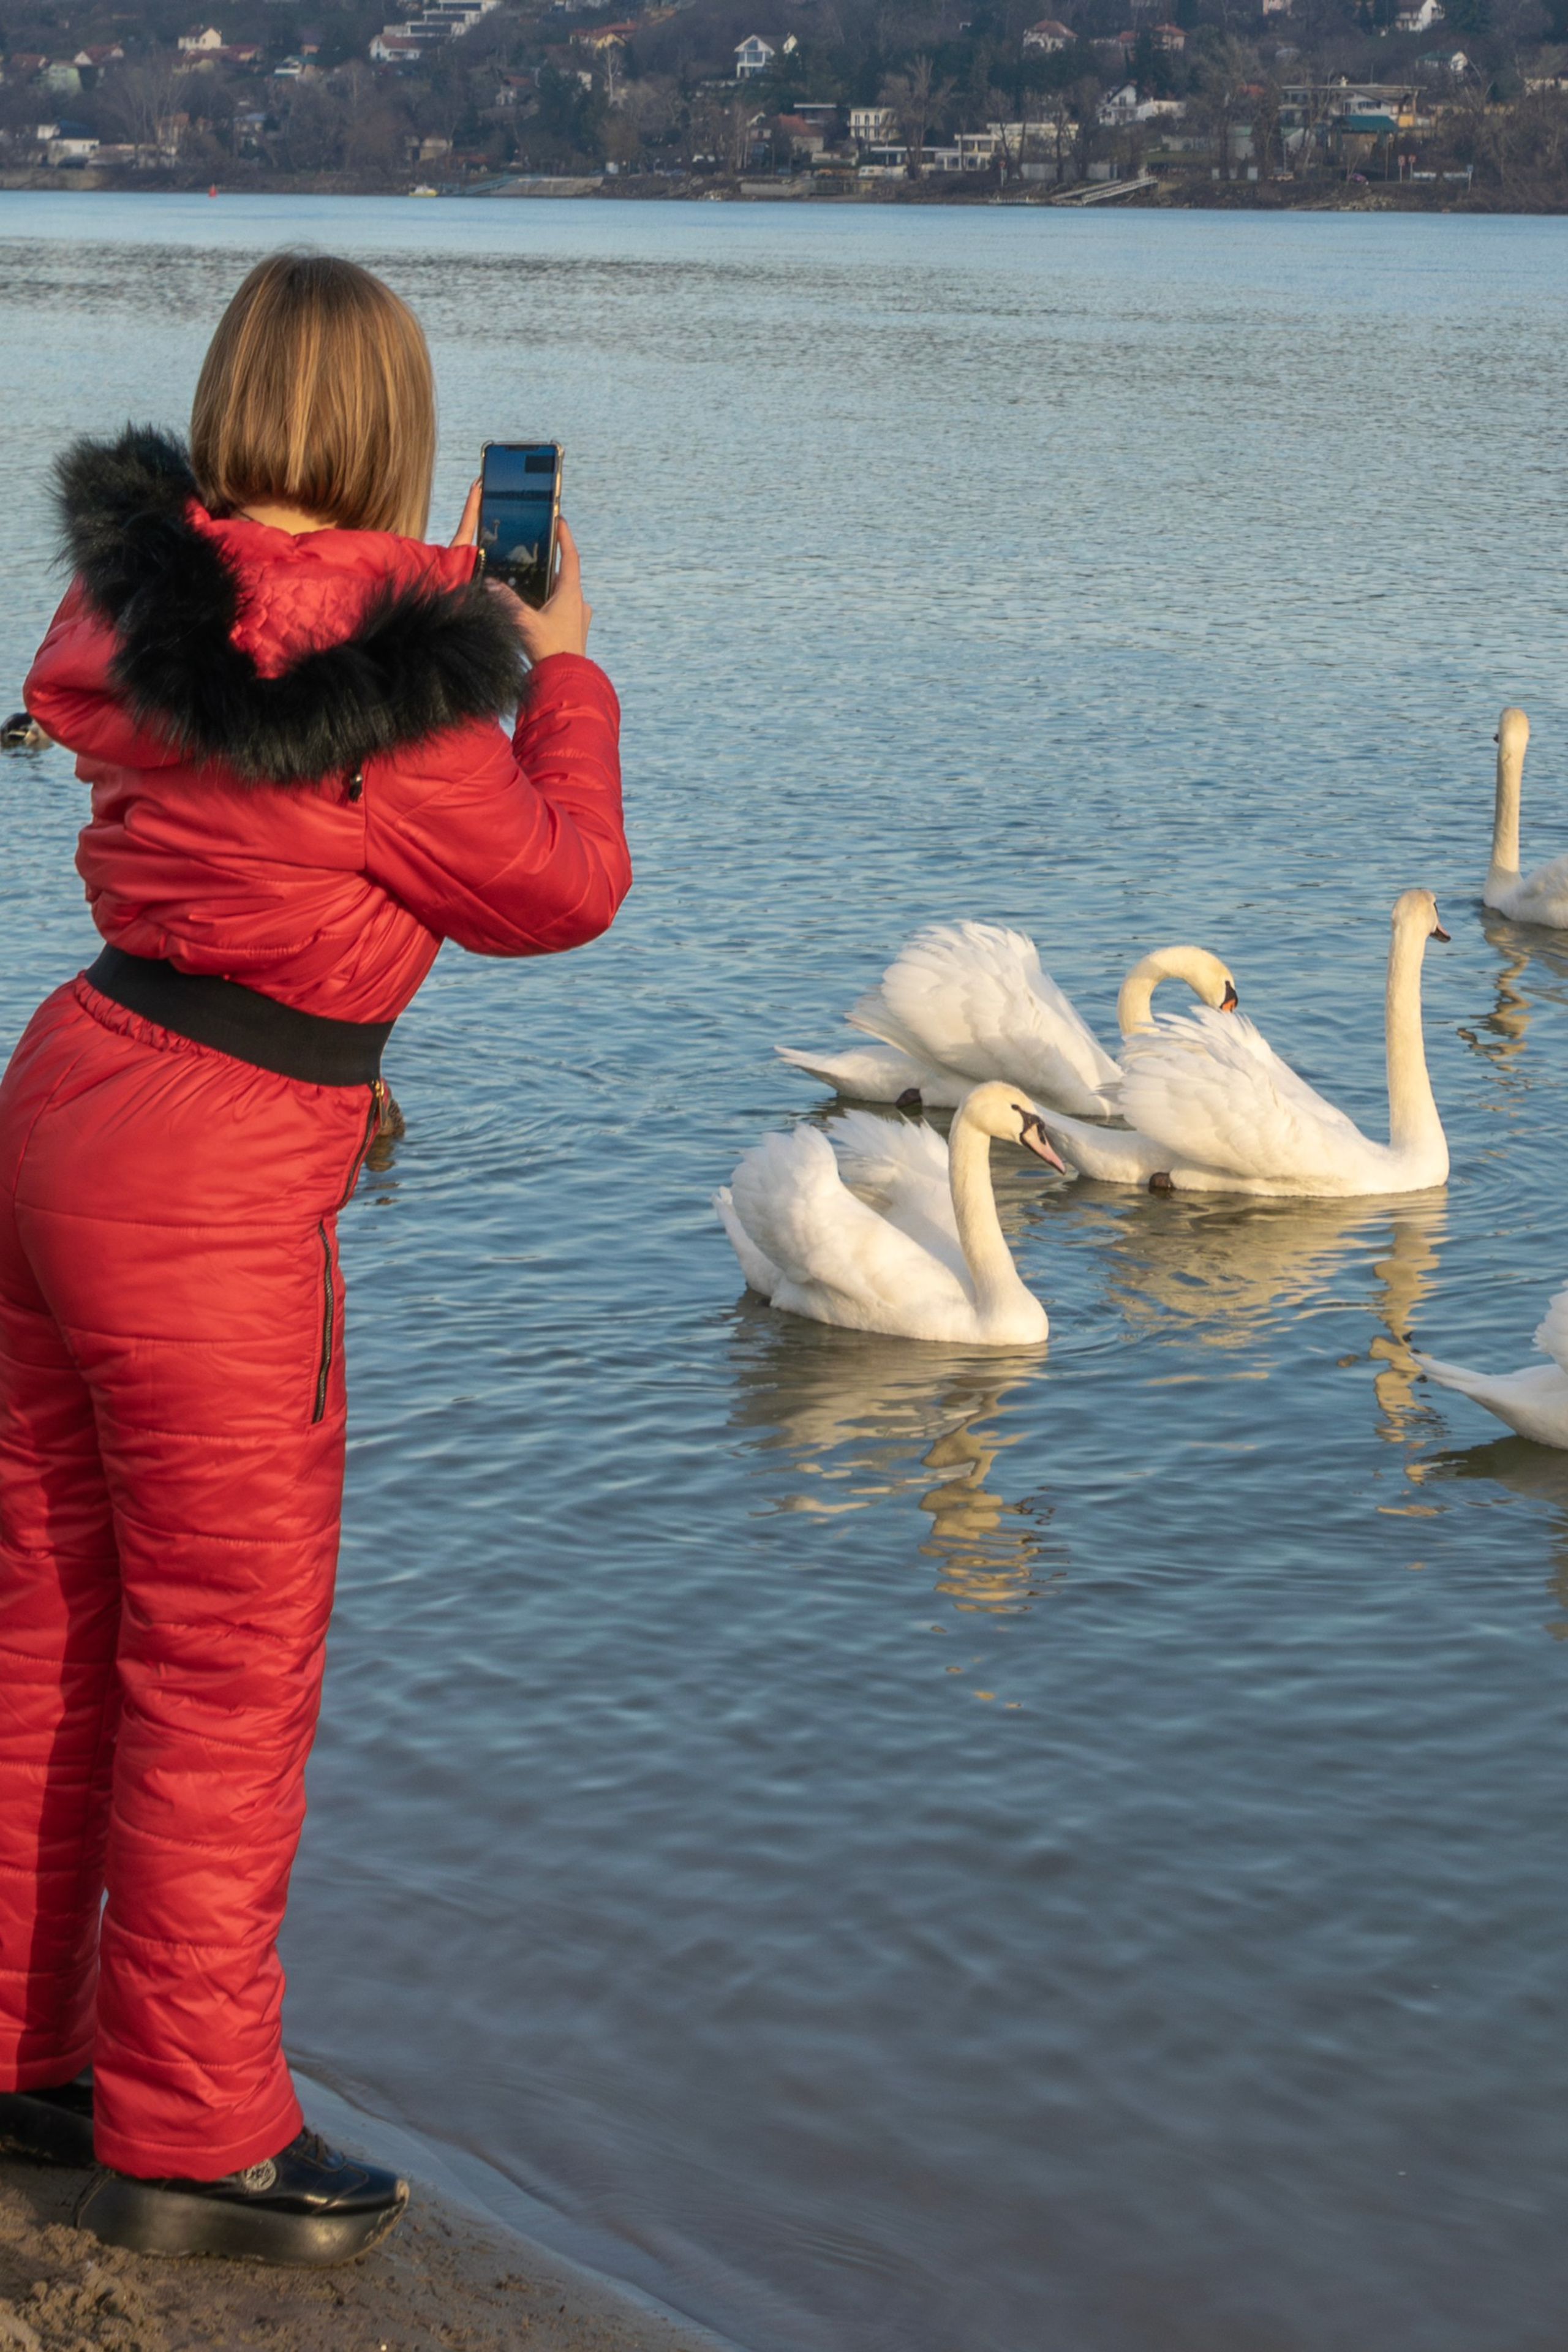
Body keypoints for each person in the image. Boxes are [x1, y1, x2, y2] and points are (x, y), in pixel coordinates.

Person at [0, 251, 630, 2266]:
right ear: (393, 435)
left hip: (67, 1093)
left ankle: (26, 2054)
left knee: (49, 1617)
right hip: (216, 1171)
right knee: (221, 1658)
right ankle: (192, 2138)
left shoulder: (130, 610)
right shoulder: (399, 696)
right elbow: (564, 894)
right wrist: (566, 667)